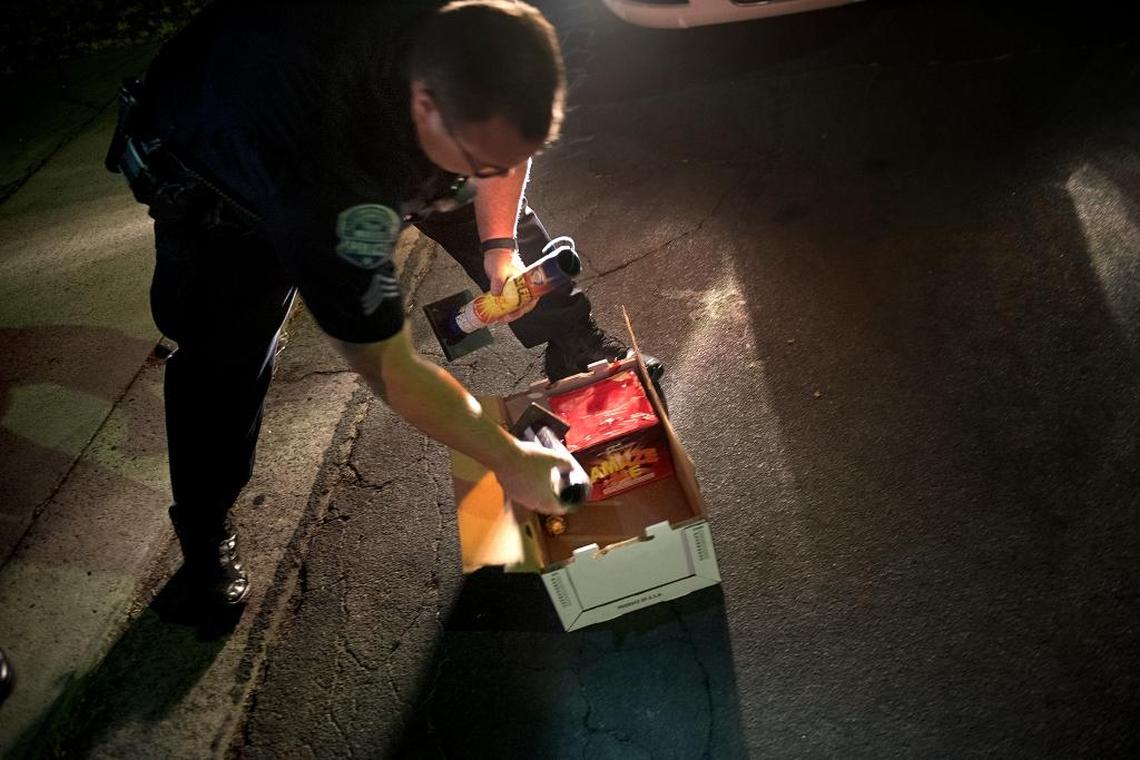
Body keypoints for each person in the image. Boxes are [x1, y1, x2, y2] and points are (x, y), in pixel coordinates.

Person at [107, 0, 663, 607]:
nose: (492, 169)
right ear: (424, 110)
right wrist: (508, 458)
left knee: (492, 212)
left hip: (357, 98)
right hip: (222, 170)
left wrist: (499, 247)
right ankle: (202, 528)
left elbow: (501, 135)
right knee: (227, 355)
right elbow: (389, 368)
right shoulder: (332, 190)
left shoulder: (480, 39)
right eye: (478, 162)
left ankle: (572, 346)